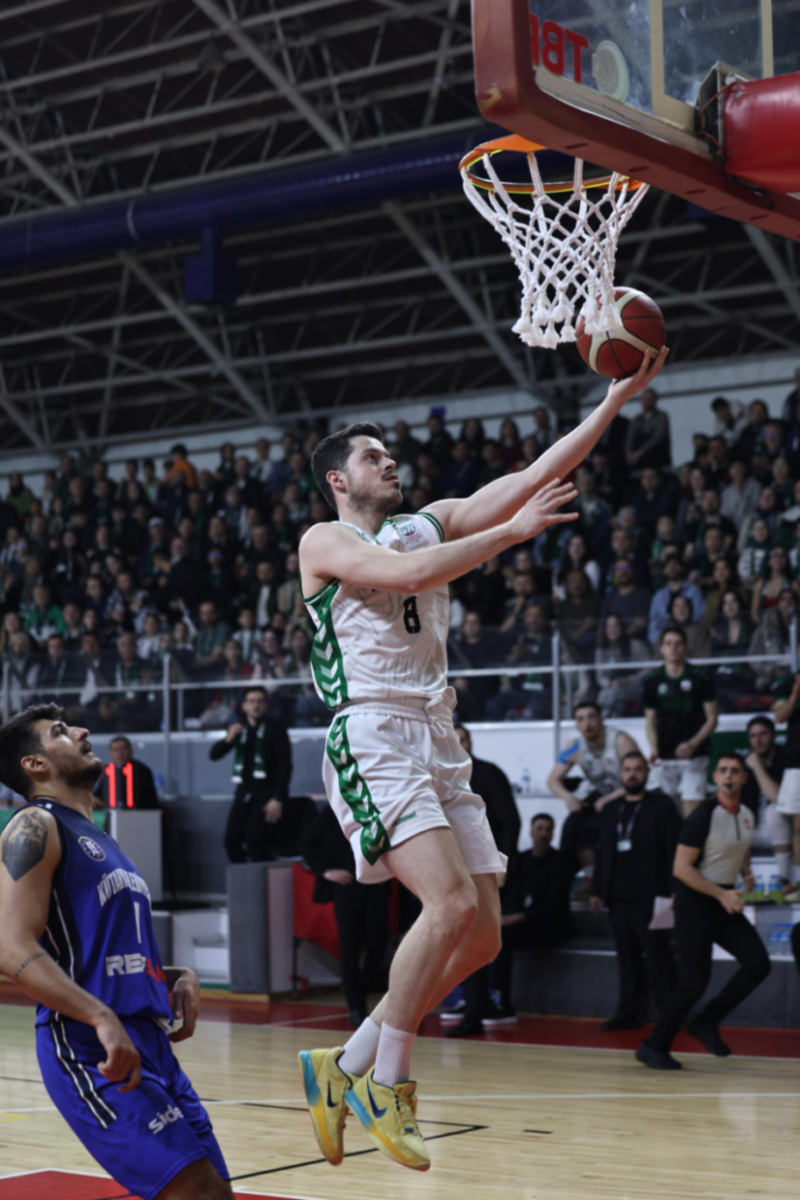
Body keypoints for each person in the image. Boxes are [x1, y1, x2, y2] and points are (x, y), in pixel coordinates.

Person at [295, 348, 668, 1174]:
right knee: (450, 901)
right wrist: (508, 534)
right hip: (373, 731)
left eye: (390, 454)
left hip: (439, 734)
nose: (390, 462)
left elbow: (534, 475)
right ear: (338, 481)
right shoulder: (324, 540)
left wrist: (613, 400)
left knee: (484, 936)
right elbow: (408, 575)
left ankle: (343, 1063)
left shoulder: (422, 520)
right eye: (373, 457)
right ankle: (386, 1084)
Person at [0, 705, 232, 1198]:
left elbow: (100, 953)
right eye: (61, 732)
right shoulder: (35, 825)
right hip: (87, 1044)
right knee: (194, 1192)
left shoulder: (100, 837)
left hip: (151, 1043)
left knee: (216, 1192)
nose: (82, 731)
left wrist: (174, 975)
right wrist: (100, 1016)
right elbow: (9, 945)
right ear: (35, 764)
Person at [636, 754, 770, 1070]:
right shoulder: (703, 815)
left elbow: (740, 846)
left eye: (735, 771)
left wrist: (746, 871)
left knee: (758, 963)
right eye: (723, 771)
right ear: (715, 777)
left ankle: (706, 1022)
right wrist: (722, 894)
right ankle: (653, 1047)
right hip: (695, 902)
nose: (729, 776)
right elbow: (681, 868)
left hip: (722, 899)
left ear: (744, 778)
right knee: (694, 982)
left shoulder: (747, 814)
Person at [445, 813, 573, 1037]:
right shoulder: (520, 860)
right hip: (519, 921)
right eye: (540, 828)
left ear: (553, 833)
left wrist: (513, 918)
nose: (543, 833)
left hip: (550, 926)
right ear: (531, 832)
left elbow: (554, 907)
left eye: (548, 829)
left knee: (501, 939)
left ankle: (502, 1003)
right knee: (478, 933)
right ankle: (475, 1000)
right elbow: (505, 893)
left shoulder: (560, 862)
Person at [591, 751, 679, 1031]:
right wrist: (596, 890)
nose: (632, 774)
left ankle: (669, 1012)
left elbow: (674, 849)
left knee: (659, 955)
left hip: (653, 895)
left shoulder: (661, 805)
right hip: (618, 897)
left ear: (647, 773)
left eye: (638, 769)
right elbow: (602, 853)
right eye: (627, 769)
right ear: (620, 773)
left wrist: (675, 889)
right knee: (626, 959)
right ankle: (628, 1012)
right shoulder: (611, 809)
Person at [298, 804, 391, 1028]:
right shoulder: (336, 808)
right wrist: (325, 871)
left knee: (379, 944)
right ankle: (356, 1006)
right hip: (347, 888)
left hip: (375, 887)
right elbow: (304, 843)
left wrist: (388, 871)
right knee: (349, 948)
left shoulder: (382, 804)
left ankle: (361, 990)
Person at [547, 702, 640, 879]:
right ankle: (590, 877)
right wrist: (569, 798)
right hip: (604, 795)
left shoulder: (620, 741)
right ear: (576, 725)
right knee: (574, 824)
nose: (587, 724)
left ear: (601, 720)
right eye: (581, 719)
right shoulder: (575, 746)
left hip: (631, 793)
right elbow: (552, 780)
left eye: (591, 717)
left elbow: (639, 778)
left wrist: (609, 799)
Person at [209, 685, 294, 863]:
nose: (256, 705)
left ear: (266, 705)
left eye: (260, 701)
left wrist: (278, 798)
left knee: (254, 839)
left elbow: (285, 766)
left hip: (267, 795)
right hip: (244, 793)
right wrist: (229, 738)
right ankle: (244, 878)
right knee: (230, 840)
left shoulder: (276, 728)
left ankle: (261, 879)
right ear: (244, 706)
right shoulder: (240, 730)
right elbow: (214, 755)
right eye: (252, 701)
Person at [644, 627, 718, 817]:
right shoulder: (652, 680)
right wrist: (654, 748)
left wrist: (692, 744)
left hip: (695, 755)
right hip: (665, 756)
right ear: (661, 648)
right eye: (668, 644)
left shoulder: (701, 677)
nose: (673, 648)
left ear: (685, 647)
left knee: (691, 813)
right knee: (667, 813)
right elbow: (650, 721)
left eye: (678, 643)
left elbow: (712, 719)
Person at [742, 715, 789, 875]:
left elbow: (777, 798)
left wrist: (757, 767)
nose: (758, 740)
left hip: (784, 829)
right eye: (753, 736)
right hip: (754, 829)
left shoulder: (786, 758)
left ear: (774, 735)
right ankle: (740, 879)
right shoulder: (745, 763)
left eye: (763, 734)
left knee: (774, 811)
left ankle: (785, 879)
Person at [772, 669, 800, 901]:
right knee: (798, 827)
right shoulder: (789, 681)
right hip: (797, 762)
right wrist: (795, 695)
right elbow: (780, 716)